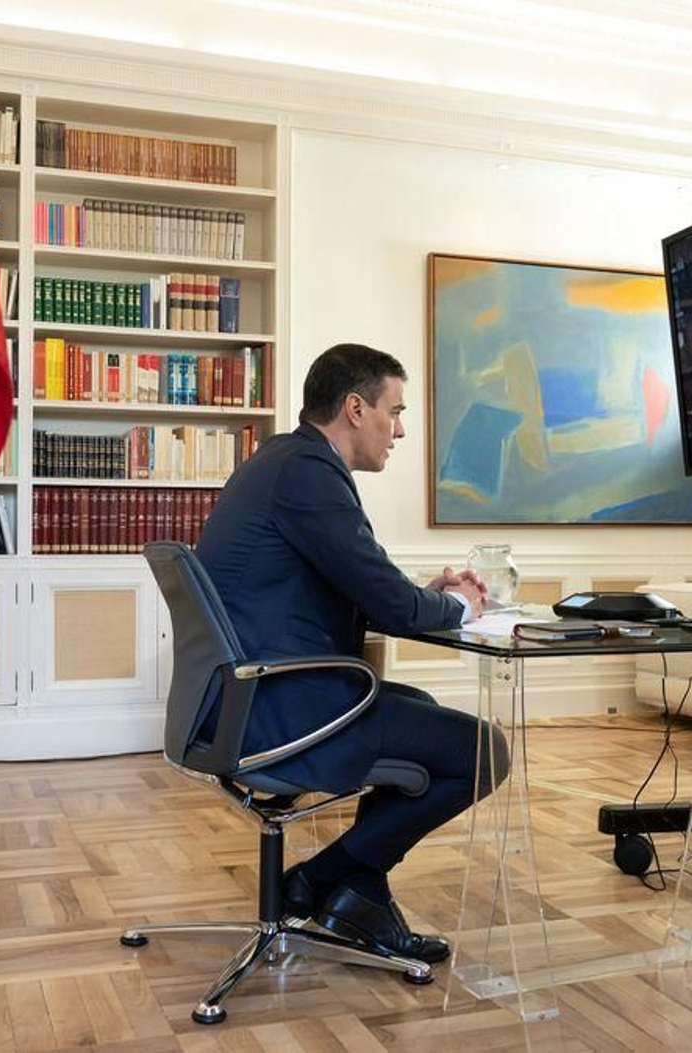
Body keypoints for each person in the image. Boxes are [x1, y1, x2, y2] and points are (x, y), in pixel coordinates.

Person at [194, 343, 507, 964]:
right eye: (396, 410)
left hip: (245, 699)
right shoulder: (308, 473)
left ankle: (357, 886)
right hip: (280, 709)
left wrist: (422, 595)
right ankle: (320, 880)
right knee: (484, 750)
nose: (401, 428)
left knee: (414, 705)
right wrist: (464, 609)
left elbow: (362, 584)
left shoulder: (287, 462)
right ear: (356, 408)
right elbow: (386, 602)